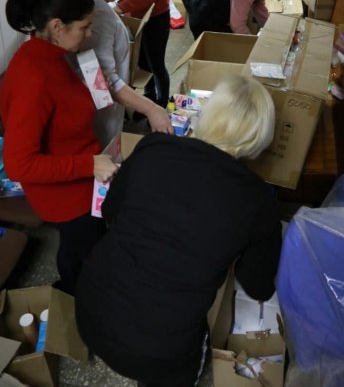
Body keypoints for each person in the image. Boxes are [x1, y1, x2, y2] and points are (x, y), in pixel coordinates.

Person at [75, 75, 281, 387]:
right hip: (160, 349)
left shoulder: (154, 146)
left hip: (91, 312)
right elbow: (258, 286)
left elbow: (110, 211)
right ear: (259, 137)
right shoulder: (258, 200)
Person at [0, 0, 119, 294]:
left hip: (83, 169)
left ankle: (75, 286)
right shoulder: (33, 78)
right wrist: (89, 165)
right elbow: (18, 165)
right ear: (57, 26)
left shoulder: (48, 54)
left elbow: (63, 107)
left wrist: (93, 91)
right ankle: (73, 295)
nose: (89, 33)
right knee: (83, 249)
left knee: (88, 244)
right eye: (84, 26)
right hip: (65, 193)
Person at [63, 0, 172, 147]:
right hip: (97, 118)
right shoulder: (99, 16)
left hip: (80, 101)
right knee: (104, 150)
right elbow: (104, 82)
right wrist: (151, 108)